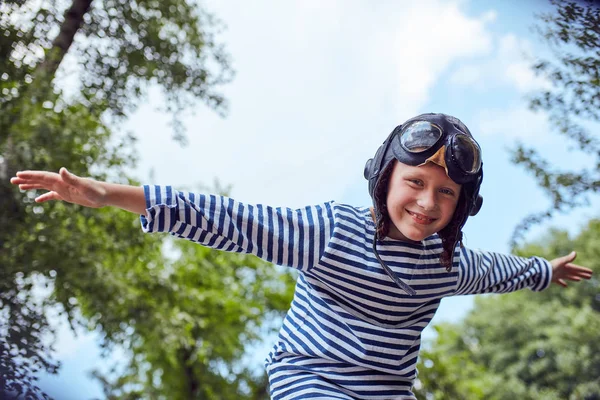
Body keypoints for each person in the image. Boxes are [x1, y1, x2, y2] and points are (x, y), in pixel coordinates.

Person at [10, 113, 592, 400]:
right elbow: (232, 221)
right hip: (310, 381)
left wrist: (547, 270)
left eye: (445, 194)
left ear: (462, 205)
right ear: (385, 178)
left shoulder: (450, 264)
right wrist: (106, 195)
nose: (426, 202)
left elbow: (501, 270)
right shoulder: (330, 232)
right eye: (415, 182)